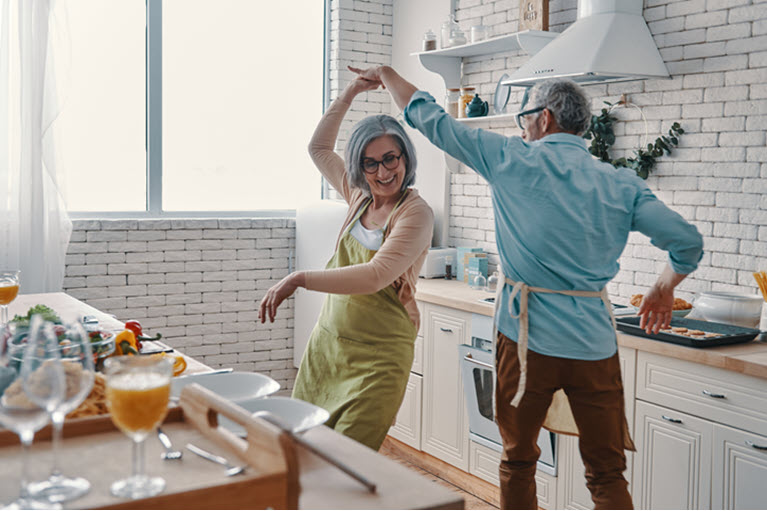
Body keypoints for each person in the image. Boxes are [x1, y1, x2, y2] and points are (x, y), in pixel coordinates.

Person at [350, 65, 703, 509]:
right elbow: (688, 244)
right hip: (593, 346)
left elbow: (429, 118)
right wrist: (664, 287)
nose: (523, 127)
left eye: (524, 117)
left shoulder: (509, 159)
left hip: (524, 342)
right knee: (607, 472)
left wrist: (386, 74)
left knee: (518, 460)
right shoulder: (619, 182)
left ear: (545, 118)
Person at [258, 75, 434, 451]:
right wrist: (350, 93)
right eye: (370, 164)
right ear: (359, 167)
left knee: (347, 459)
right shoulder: (359, 196)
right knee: (303, 450)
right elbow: (319, 147)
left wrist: (300, 278)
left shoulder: (415, 213)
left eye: (391, 159)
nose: (383, 173)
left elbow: (376, 276)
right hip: (328, 349)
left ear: (405, 157)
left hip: (378, 360)